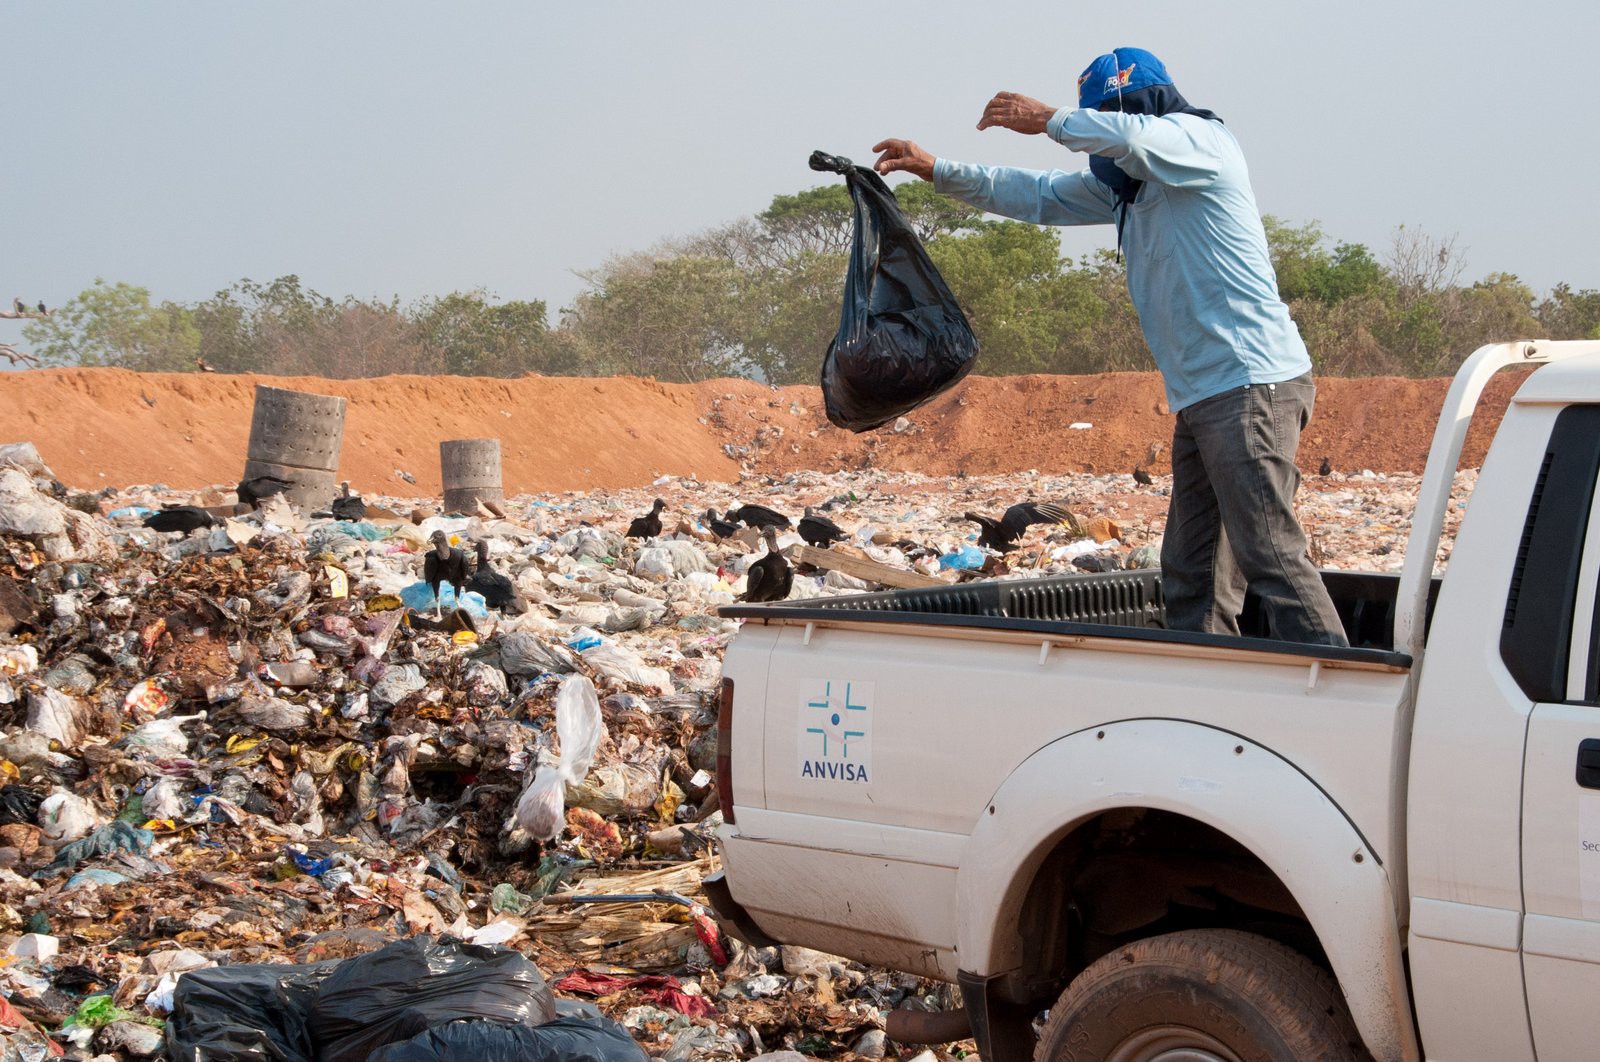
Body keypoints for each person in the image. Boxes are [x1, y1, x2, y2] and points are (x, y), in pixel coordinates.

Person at [873, 46, 1347, 647]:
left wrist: (1048, 118)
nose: (1099, 149)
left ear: (1136, 107)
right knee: (1194, 569)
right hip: (1205, 394)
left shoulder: (1201, 146)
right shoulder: (1131, 192)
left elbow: (1134, 136)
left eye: (1102, 120)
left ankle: (1340, 685)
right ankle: (1201, 684)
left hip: (1251, 384)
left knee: (1268, 552)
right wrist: (934, 168)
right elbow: (1034, 193)